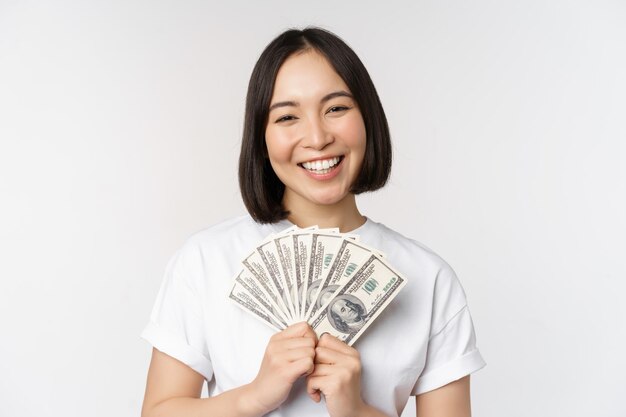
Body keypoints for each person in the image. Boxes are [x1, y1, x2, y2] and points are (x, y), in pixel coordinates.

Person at [141, 27, 485, 417]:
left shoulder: (430, 278)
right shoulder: (205, 260)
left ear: (368, 117)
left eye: (336, 108)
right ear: (262, 137)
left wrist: (356, 411)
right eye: (288, 116)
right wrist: (254, 396)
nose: (317, 137)